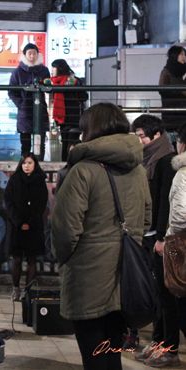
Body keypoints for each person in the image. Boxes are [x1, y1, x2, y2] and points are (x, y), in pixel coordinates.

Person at [52, 103, 151, 370]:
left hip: (89, 276)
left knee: (93, 356)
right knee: (112, 355)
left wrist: (66, 259)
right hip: (127, 276)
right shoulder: (138, 170)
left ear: (90, 130)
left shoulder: (83, 170)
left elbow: (64, 229)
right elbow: (146, 217)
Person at [131, 114, 180, 366]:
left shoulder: (165, 161)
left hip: (161, 239)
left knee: (166, 295)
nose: (139, 141)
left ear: (156, 135)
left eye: (142, 136)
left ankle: (169, 347)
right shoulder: (150, 159)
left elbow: (165, 204)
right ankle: (160, 341)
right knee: (158, 294)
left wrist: (161, 236)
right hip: (151, 236)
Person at [4, 153, 48, 301]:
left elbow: (41, 205)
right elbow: (8, 202)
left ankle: (27, 291)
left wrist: (29, 223)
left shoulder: (40, 181)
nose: (26, 166)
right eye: (24, 163)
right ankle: (15, 289)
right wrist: (19, 222)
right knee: (16, 259)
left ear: (35, 164)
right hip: (17, 228)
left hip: (34, 227)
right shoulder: (14, 180)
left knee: (32, 260)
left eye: (29, 163)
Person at [162, 123, 186, 367]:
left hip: (181, 244)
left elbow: (179, 214)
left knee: (179, 300)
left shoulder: (182, 173)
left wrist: (169, 238)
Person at [9, 43, 50, 160]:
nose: (32, 56)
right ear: (25, 55)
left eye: (34, 53)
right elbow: (11, 91)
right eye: (29, 53)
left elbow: (49, 88)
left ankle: (39, 167)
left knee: (40, 143)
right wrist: (20, 104)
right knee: (25, 143)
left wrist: (47, 85)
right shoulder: (17, 72)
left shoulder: (44, 70)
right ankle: (25, 167)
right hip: (25, 112)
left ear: (38, 54)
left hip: (40, 109)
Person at [44, 59, 88, 161]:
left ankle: (69, 165)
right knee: (69, 143)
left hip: (69, 118)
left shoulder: (67, 82)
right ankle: (69, 166)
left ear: (59, 68)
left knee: (69, 143)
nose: (52, 70)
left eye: (53, 68)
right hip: (68, 118)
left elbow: (83, 96)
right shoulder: (59, 81)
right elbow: (84, 97)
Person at [159, 45, 186, 134]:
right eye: (181, 54)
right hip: (172, 116)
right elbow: (162, 90)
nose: (184, 57)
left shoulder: (182, 72)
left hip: (182, 114)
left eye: (185, 55)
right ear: (175, 56)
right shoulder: (167, 71)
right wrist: (181, 92)